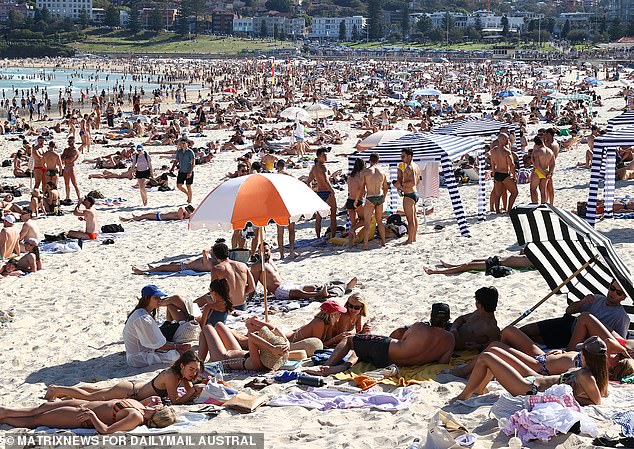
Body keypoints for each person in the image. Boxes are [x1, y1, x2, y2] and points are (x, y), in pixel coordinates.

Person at [451, 336, 610, 406]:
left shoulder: (585, 375)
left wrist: (567, 398)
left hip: (530, 389)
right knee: (495, 351)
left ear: (588, 357)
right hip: (536, 379)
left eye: (582, 352)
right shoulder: (591, 373)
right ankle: (479, 388)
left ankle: (464, 395)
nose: (579, 354)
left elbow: (596, 402)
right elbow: (600, 392)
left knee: (486, 357)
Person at [45, 351, 204, 405]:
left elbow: (189, 395)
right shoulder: (171, 375)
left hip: (134, 387)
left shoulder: (183, 375)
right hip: (129, 392)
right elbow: (176, 400)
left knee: (96, 391)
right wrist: (192, 392)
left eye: (196, 370)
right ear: (182, 365)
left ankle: (64, 393)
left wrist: (196, 389)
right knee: (91, 397)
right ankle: (56, 389)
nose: (193, 373)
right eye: (191, 369)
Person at [306, 321, 455, 375]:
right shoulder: (449, 339)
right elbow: (443, 361)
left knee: (350, 340)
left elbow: (398, 336)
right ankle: (341, 367)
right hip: (401, 364)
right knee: (362, 350)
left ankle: (326, 367)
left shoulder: (420, 327)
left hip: (386, 351)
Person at [519, 279, 630, 347]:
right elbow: (569, 311)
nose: (613, 293)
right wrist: (582, 302)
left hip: (577, 337)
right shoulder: (596, 298)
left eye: (619, 292)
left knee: (535, 339)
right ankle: (503, 338)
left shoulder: (621, 316)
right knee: (526, 330)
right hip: (569, 323)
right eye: (612, 288)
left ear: (624, 297)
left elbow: (620, 342)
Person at [0, 398, 176, 434]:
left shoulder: (136, 418)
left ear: (157, 414)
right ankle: (5, 411)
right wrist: (149, 400)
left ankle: (5, 418)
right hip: (81, 404)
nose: (161, 404)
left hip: (79, 416)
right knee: (42, 407)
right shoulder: (142, 407)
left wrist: (92, 417)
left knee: (36, 420)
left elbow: (106, 430)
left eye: (161, 407)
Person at [250, 242, 357, 300]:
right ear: (258, 253)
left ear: (270, 251)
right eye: (262, 251)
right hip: (279, 291)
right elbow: (253, 283)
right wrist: (250, 298)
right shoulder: (257, 266)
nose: (265, 253)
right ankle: (320, 294)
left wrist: (268, 292)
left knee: (313, 286)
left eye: (267, 250)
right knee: (299, 293)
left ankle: (343, 287)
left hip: (287, 284)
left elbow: (272, 278)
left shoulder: (271, 261)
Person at [122, 285, 192, 367]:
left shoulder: (141, 312)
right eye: (156, 298)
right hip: (139, 358)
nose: (160, 300)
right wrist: (177, 347)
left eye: (160, 297)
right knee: (179, 355)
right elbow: (159, 345)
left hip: (139, 354)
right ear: (147, 299)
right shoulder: (143, 318)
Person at [197, 320, 289, 371]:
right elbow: (275, 329)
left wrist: (271, 348)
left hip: (223, 359)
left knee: (207, 328)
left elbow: (251, 337)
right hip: (236, 351)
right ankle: (201, 363)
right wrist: (286, 342)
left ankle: (198, 364)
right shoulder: (264, 357)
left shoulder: (258, 364)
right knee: (219, 324)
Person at [207, 239, 255, 312]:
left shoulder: (216, 269)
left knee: (204, 299)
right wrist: (240, 292)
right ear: (228, 253)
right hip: (242, 305)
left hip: (227, 306)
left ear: (215, 256)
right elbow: (252, 287)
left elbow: (214, 292)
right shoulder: (243, 265)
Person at [450, 286, 501, 351]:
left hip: (453, 344)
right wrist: (454, 328)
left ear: (480, 305)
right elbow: (461, 318)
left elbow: (497, 344)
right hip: (451, 331)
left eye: (476, 301)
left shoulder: (490, 327)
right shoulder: (477, 313)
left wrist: (479, 346)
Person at [356, 152, 388, 250]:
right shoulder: (382, 172)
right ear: (378, 161)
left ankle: (365, 245)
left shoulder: (365, 172)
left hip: (370, 198)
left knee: (367, 223)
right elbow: (386, 187)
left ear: (369, 160)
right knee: (380, 221)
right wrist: (384, 197)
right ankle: (383, 242)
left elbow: (361, 188)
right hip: (379, 196)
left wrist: (357, 199)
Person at [306, 148, 337, 238]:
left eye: (326, 155)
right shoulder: (323, 166)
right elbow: (326, 180)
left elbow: (308, 181)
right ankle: (333, 237)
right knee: (333, 216)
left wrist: (312, 191)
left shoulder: (314, 167)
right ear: (319, 157)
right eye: (324, 155)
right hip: (327, 192)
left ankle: (318, 237)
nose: (326, 156)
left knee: (318, 218)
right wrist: (332, 190)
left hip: (319, 193)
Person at [396, 148, 421, 245]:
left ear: (409, 156)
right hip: (414, 193)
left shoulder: (409, 167)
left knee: (410, 219)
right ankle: (413, 238)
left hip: (409, 194)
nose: (401, 158)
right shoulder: (416, 166)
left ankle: (410, 240)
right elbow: (417, 181)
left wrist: (401, 185)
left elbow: (413, 182)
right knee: (414, 218)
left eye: (403, 156)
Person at [424, 254, 533, 275]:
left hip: (497, 264)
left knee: (467, 266)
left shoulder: (537, 260)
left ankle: (435, 272)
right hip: (497, 259)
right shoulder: (535, 253)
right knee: (473, 261)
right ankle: (452, 266)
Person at [490, 132, 518, 214]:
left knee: (498, 194)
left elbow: (493, 164)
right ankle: (509, 209)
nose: (508, 140)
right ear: (502, 139)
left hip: (497, 173)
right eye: (506, 139)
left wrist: (494, 174)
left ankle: (497, 210)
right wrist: (514, 176)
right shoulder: (506, 152)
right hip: (505, 174)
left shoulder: (493, 150)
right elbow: (512, 165)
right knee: (514, 192)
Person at [530, 136, 555, 205]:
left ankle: (535, 204)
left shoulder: (537, 152)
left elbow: (537, 165)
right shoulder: (550, 151)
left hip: (538, 172)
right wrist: (549, 173)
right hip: (546, 170)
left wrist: (532, 154)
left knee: (533, 189)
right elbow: (553, 164)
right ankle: (543, 206)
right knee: (543, 190)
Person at [346, 158, 365, 244]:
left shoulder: (350, 176)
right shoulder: (360, 176)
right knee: (365, 220)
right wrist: (357, 200)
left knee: (353, 222)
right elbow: (359, 190)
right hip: (357, 201)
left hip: (349, 200)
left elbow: (350, 189)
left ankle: (351, 242)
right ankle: (353, 230)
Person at [170, 137, 195, 204]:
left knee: (188, 186)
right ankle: (187, 194)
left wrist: (190, 172)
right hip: (181, 171)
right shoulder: (179, 152)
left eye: (184, 143)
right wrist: (172, 168)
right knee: (179, 186)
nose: (183, 145)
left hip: (188, 171)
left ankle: (190, 199)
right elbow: (176, 161)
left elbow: (193, 163)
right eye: (182, 144)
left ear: (187, 144)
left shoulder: (190, 152)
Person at [61, 136, 81, 205]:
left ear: (73, 141)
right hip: (66, 167)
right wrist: (65, 158)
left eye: (70, 141)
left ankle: (79, 198)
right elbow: (62, 158)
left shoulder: (75, 151)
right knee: (66, 184)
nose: (69, 143)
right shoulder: (66, 149)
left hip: (71, 167)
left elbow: (70, 160)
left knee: (74, 184)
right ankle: (67, 197)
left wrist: (65, 158)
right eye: (68, 141)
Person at [122, 206, 194, 222]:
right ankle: (133, 218)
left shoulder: (183, 214)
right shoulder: (183, 213)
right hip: (159, 215)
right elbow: (181, 212)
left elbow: (181, 211)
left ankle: (128, 219)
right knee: (143, 216)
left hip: (159, 216)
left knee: (143, 217)